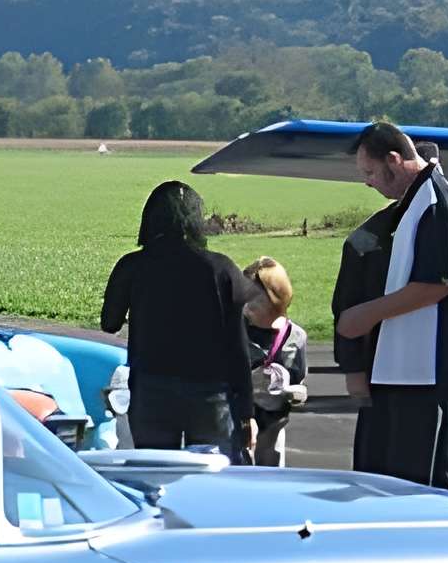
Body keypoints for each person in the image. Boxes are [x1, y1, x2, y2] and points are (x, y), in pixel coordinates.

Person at [332, 121, 448, 488]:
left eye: (370, 172)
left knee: (419, 485)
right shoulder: (415, 201)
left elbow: (436, 284)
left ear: (394, 159)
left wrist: (363, 316)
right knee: (383, 481)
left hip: (425, 375)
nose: (368, 182)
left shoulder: (434, 199)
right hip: (401, 371)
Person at [98, 181, 251, 454]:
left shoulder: (132, 266)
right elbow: (237, 345)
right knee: (213, 477)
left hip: (151, 388)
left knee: (154, 474)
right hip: (211, 392)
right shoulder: (221, 268)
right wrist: (246, 409)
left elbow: (109, 323)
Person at [237, 256, 308, 466]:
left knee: (271, 471)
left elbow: (298, 379)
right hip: (238, 419)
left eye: (255, 297)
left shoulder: (295, 337)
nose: (247, 304)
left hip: (274, 422)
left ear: (276, 297)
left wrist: (296, 393)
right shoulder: (232, 331)